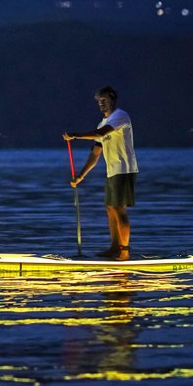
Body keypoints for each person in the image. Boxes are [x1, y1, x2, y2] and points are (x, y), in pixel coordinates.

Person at [64, 86, 138, 260]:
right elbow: (96, 152)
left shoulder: (120, 116)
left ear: (112, 99)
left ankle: (125, 252)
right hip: (112, 171)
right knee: (110, 208)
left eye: (104, 100)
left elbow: (102, 133)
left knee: (119, 209)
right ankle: (114, 248)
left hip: (125, 169)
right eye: (99, 101)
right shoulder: (102, 123)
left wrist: (76, 135)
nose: (101, 104)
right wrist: (81, 176)